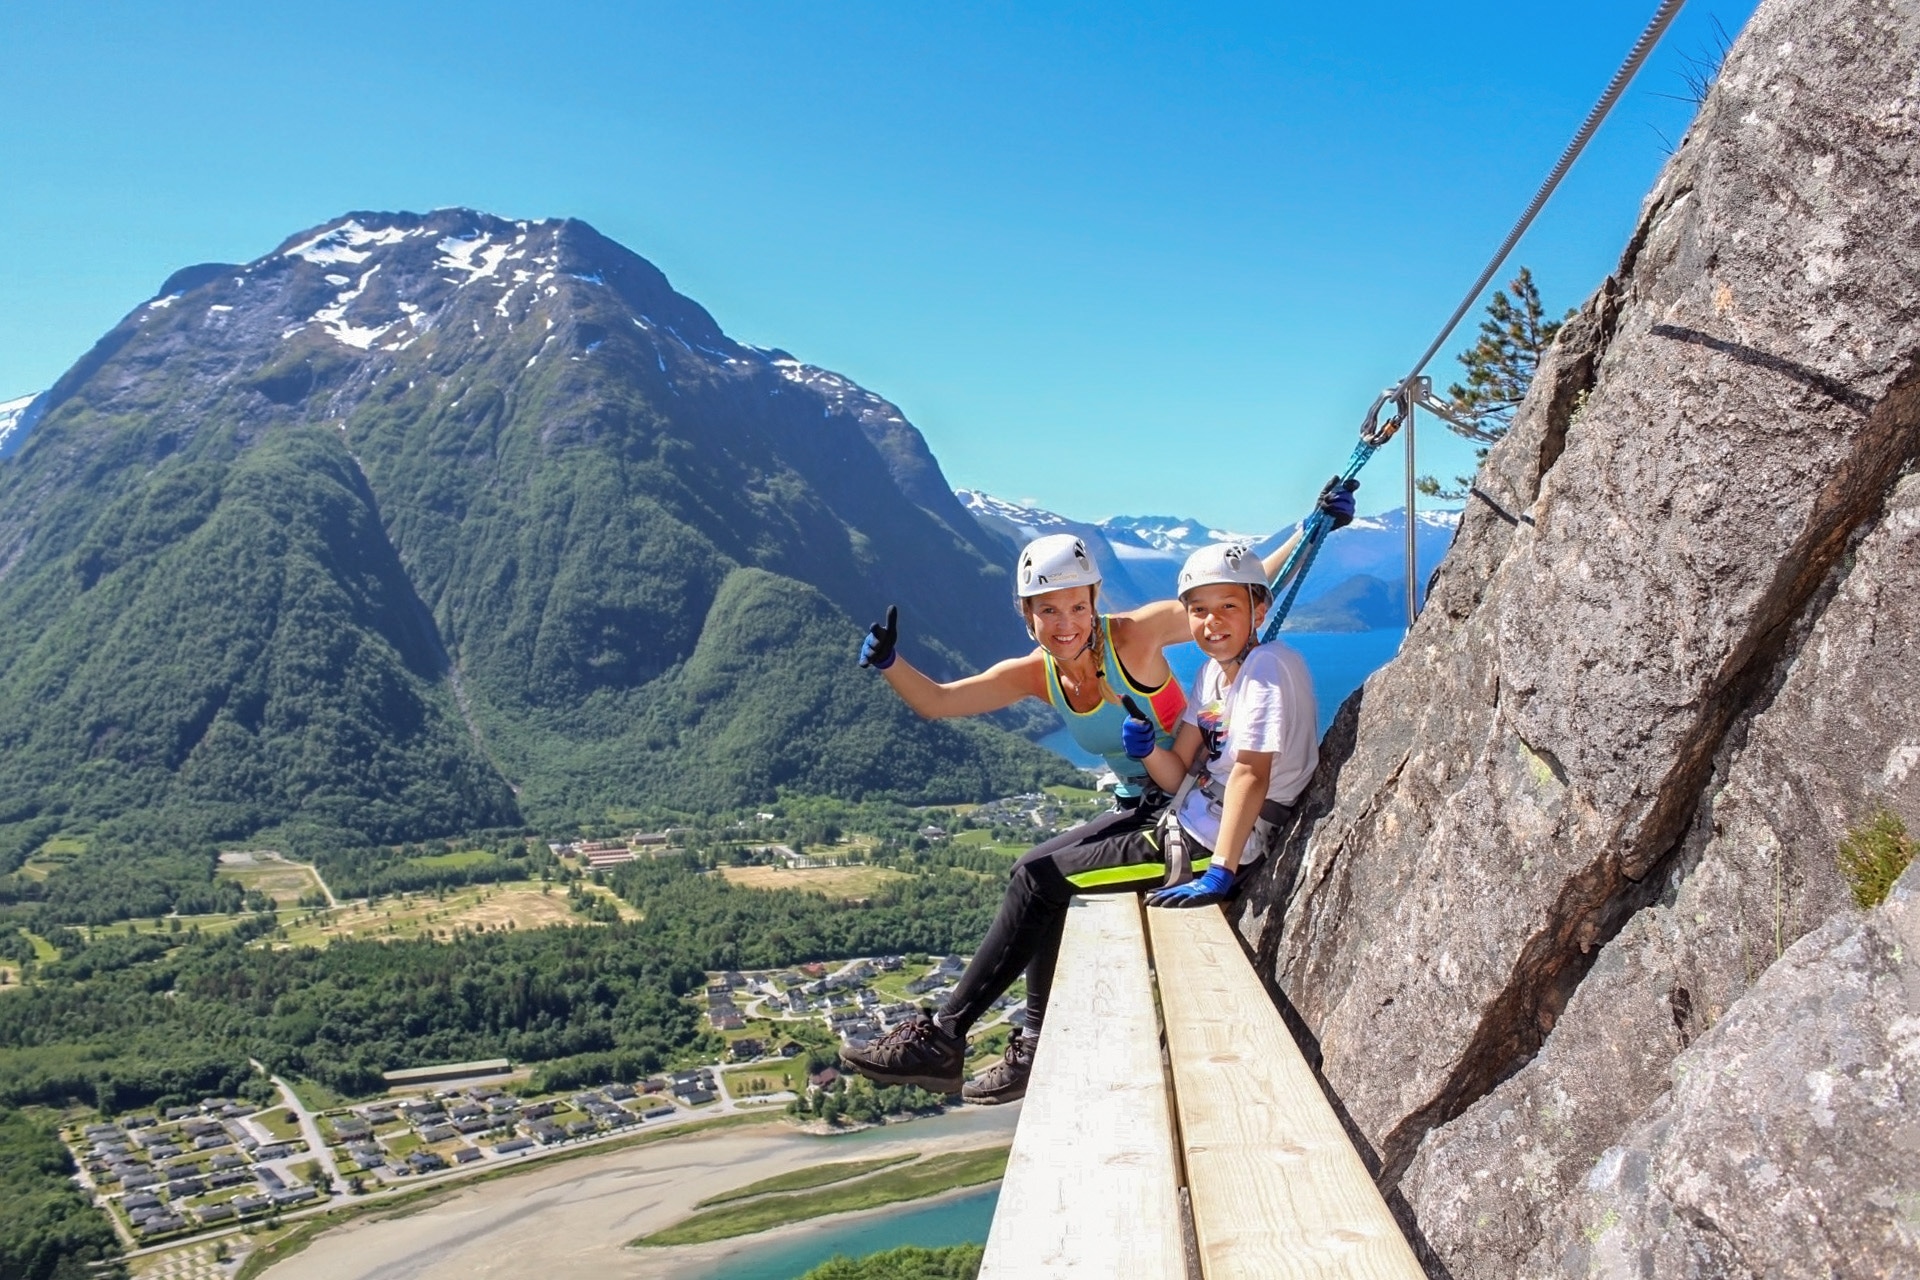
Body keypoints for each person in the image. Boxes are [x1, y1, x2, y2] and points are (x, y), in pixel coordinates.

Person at [843, 523, 1338, 1103]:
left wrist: (1313, 526)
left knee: (1038, 879)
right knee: (1029, 869)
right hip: (1164, 802)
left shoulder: (1136, 637)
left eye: (1078, 606)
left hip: (1179, 813)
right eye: (1048, 610)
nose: (1066, 622)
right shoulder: (1038, 673)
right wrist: (890, 663)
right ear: (1026, 615)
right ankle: (1021, 1045)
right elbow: (939, 701)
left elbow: (1232, 594)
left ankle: (950, 1038)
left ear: (1095, 603)